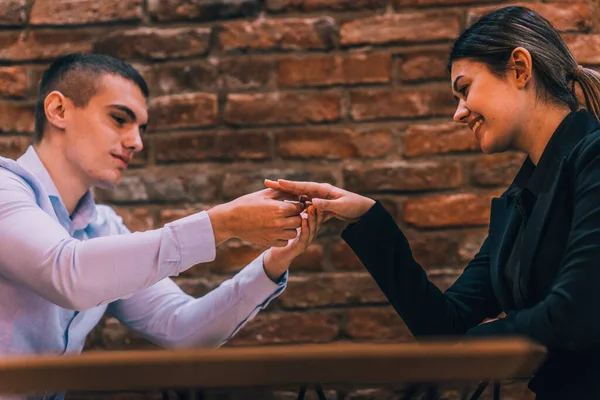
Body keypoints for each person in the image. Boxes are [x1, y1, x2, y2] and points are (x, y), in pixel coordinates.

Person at [266, 6, 600, 399]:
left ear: (519, 69)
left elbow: (576, 312)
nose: (458, 113)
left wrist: (470, 348)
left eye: (465, 89)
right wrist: (367, 217)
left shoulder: (593, 158)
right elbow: (445, 326)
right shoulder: (517, 202)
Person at [0, 52, 324, 365]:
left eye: (141, 128)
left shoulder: (104, 227)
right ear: (58, 110)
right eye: (119, 119)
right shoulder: (4, 188)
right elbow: (67, 274)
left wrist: (273, 262)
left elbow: (182, 329)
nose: (136, 142)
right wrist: (221, 225)